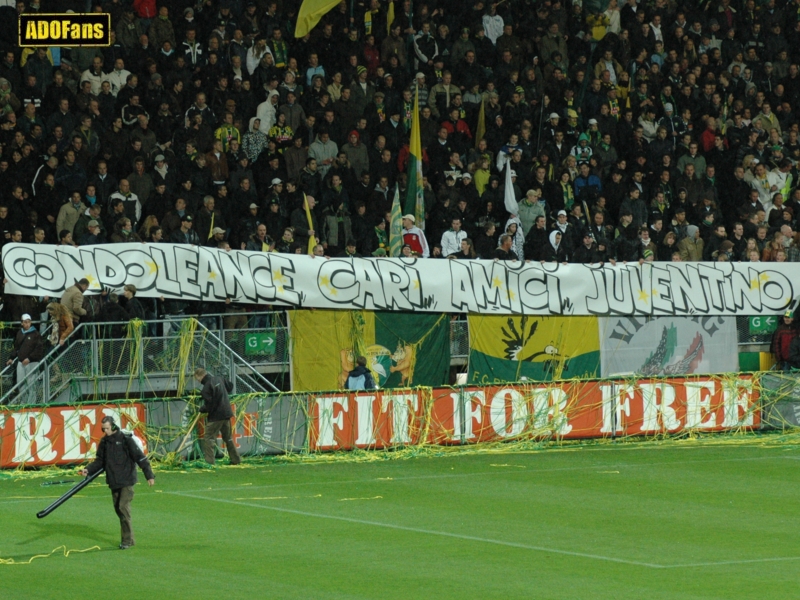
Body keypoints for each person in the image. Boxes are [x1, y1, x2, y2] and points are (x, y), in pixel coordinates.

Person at [80, 416, 155, 549]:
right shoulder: (104, 442)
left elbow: (140, 457)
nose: (105, 432)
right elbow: (100, 461)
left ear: (113, 426)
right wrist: (88, 470)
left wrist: (149, 475)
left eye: (107, 429)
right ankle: (130, 539)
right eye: (103, 429)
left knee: (122, 507)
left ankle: (126, 541)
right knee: (119, 510)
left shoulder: (126, 440)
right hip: (113, 480)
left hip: (127, 480)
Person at [194, 367, 241, 466]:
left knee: (209, 437)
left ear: (200, 376)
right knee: (228, 437)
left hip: (216, 416)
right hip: (227, 412)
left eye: (197, 379)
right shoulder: (219, 378)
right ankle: (236, 459)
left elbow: (210, 405)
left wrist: (203, 408)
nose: (198, 381)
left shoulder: (206, 389)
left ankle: (210, 462)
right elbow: (230, 386)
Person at [6, 313, 45, 403]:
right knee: (21, 384)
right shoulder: (20, 333)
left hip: (32, 363)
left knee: (31, 385)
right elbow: (16, 348)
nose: (27, 324)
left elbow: (39, 349)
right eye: (25, 322)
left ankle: (31, 403)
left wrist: (30, 358)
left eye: (29, 322)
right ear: (22, 323)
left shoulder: (36, 334)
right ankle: (24, 403)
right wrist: (12, 358)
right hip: (21, 362)